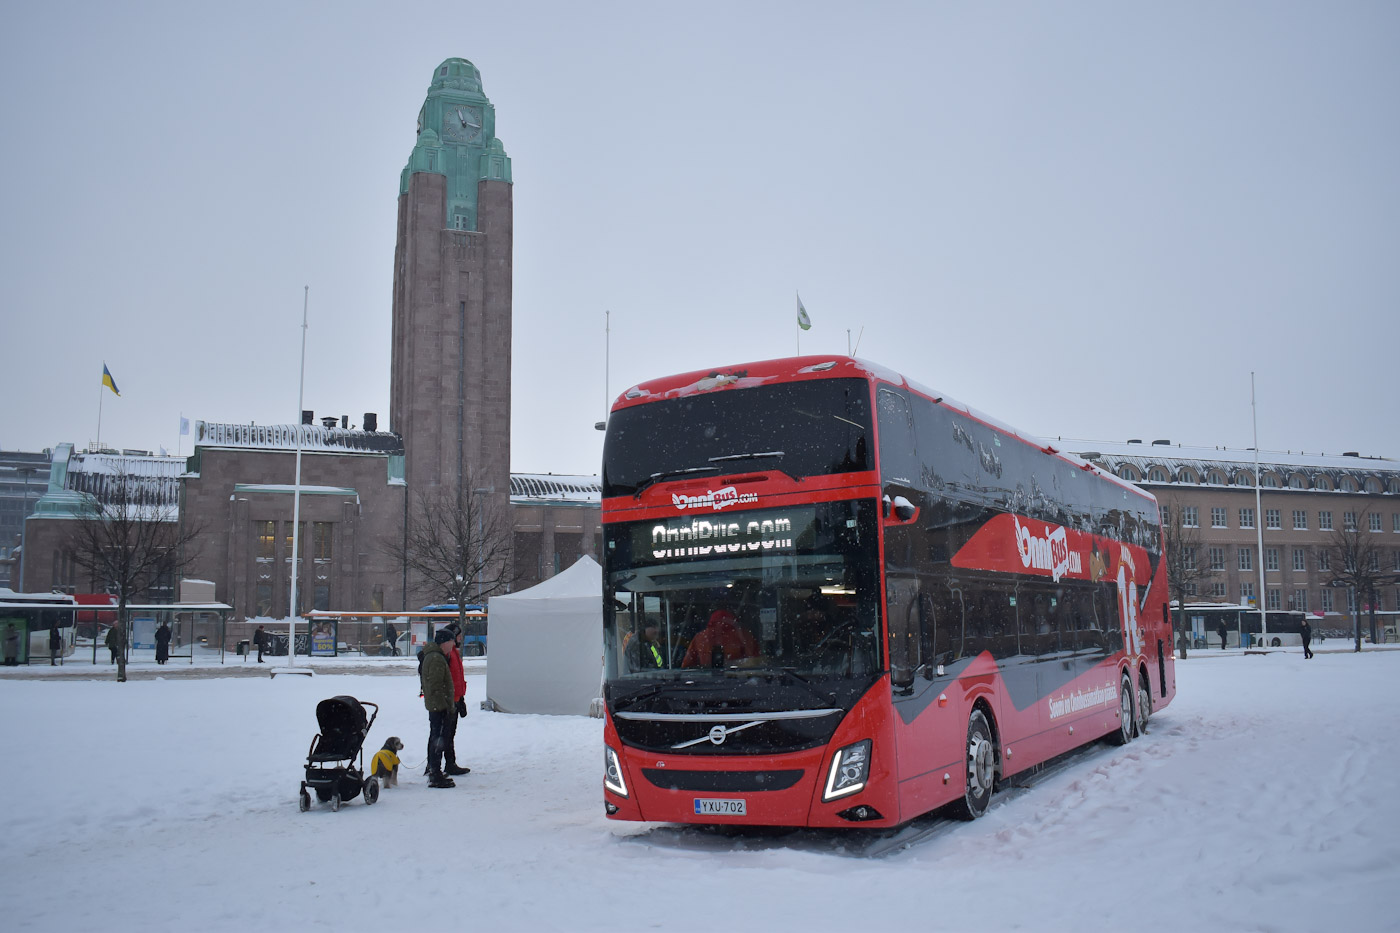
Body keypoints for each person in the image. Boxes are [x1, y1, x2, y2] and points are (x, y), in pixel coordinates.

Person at [419, 629, 456, 788]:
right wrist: (444, 706)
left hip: (436, 704)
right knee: (438, 739)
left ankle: (435, 771)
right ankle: (435, 774)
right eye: (451, 641)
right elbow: (436, 685)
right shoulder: (436, 658)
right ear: (445, 642)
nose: (453, 645)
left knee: (436, 738)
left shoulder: (436, 656)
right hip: (438, 706)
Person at [681, 609, 759, 668]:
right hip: (740, 683)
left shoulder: (700, 637)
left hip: (706, 684)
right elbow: (757, 662)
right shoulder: (743, 635)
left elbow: (687, 668)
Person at [441, 624, 470, 776]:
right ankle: (443, 764)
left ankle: (449, 763)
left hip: (456, 699)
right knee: (445, 734)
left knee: (449, 734)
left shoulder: (454, 652)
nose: (460, 639)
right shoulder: (448, 654)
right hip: (449, 700)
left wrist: (461, 699)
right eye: (458, 636)